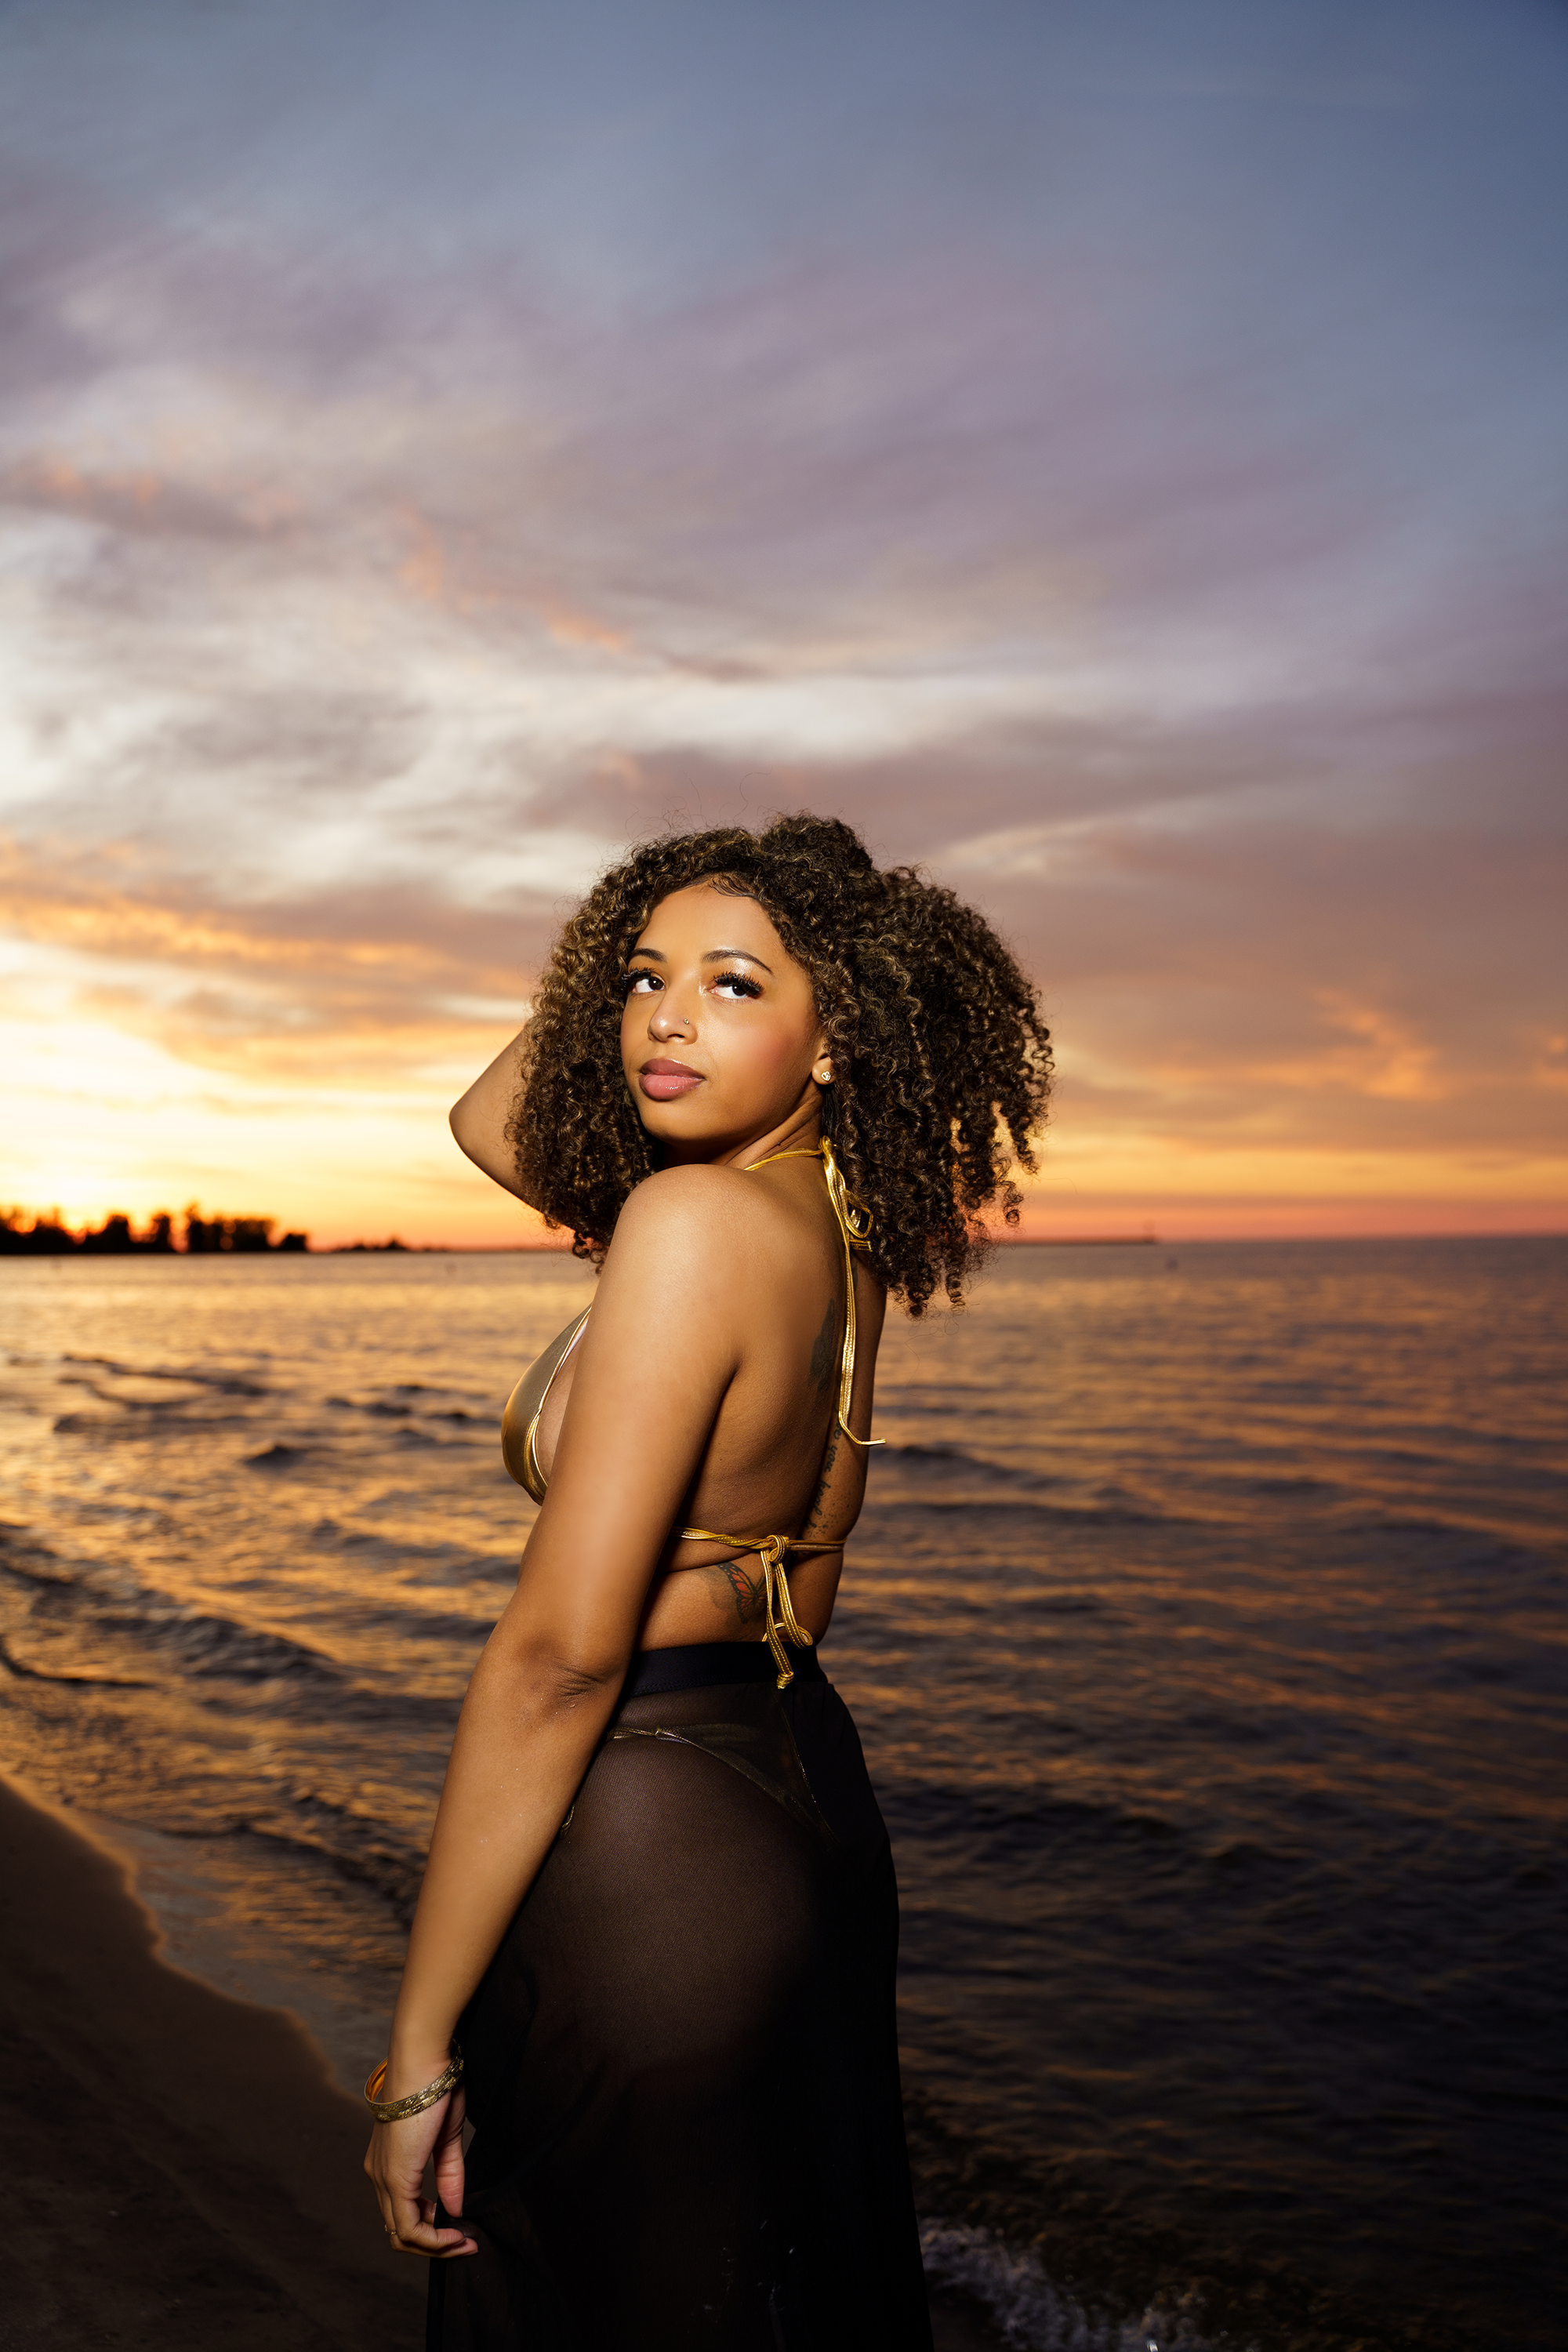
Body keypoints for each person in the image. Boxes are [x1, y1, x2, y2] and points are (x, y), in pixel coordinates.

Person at [364, 813, 1051, 2350]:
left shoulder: (687, 1230)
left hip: (650, 1821)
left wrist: (412, 2057)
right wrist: (674, 932)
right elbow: (493, 1125)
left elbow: (558, 1664)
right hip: (792, 1784)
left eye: (736, 985)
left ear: (842, 1030)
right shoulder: (826, 1236)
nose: (663, 1020)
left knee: (575, 2297)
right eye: (639, 980)